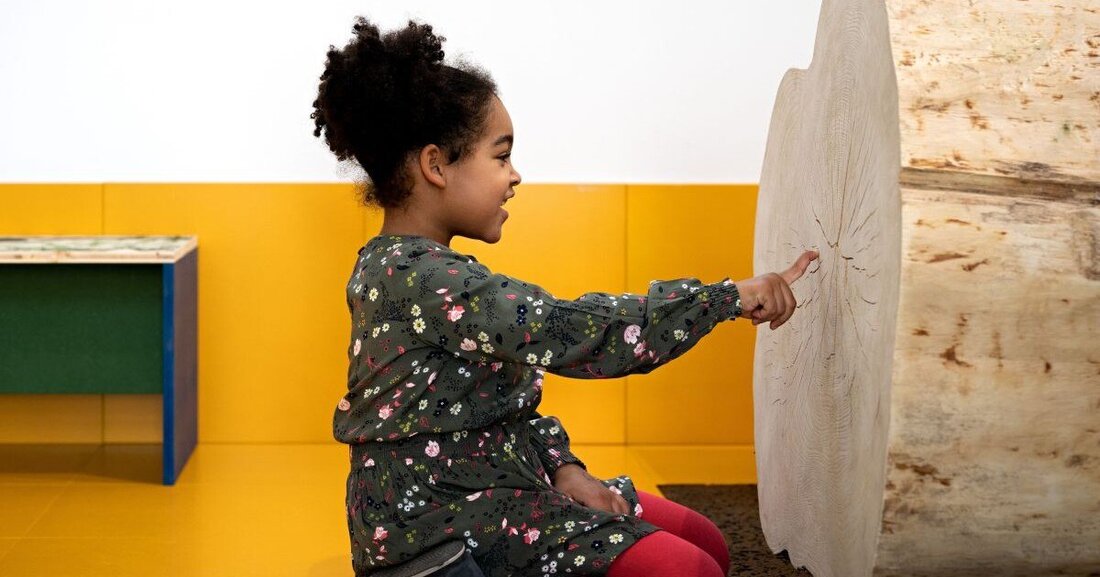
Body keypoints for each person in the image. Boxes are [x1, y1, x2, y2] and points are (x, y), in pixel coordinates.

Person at [312, 17, 818, 577]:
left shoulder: (425, 270)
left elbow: (498, 406)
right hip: (438, 520)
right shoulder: (421, 279)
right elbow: (574, 332)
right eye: (501, 156)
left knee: (705, 542)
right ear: (436, 166)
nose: (515, 175)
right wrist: (725, 299)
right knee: (685, 568)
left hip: (497, 479)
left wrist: (564, 468)